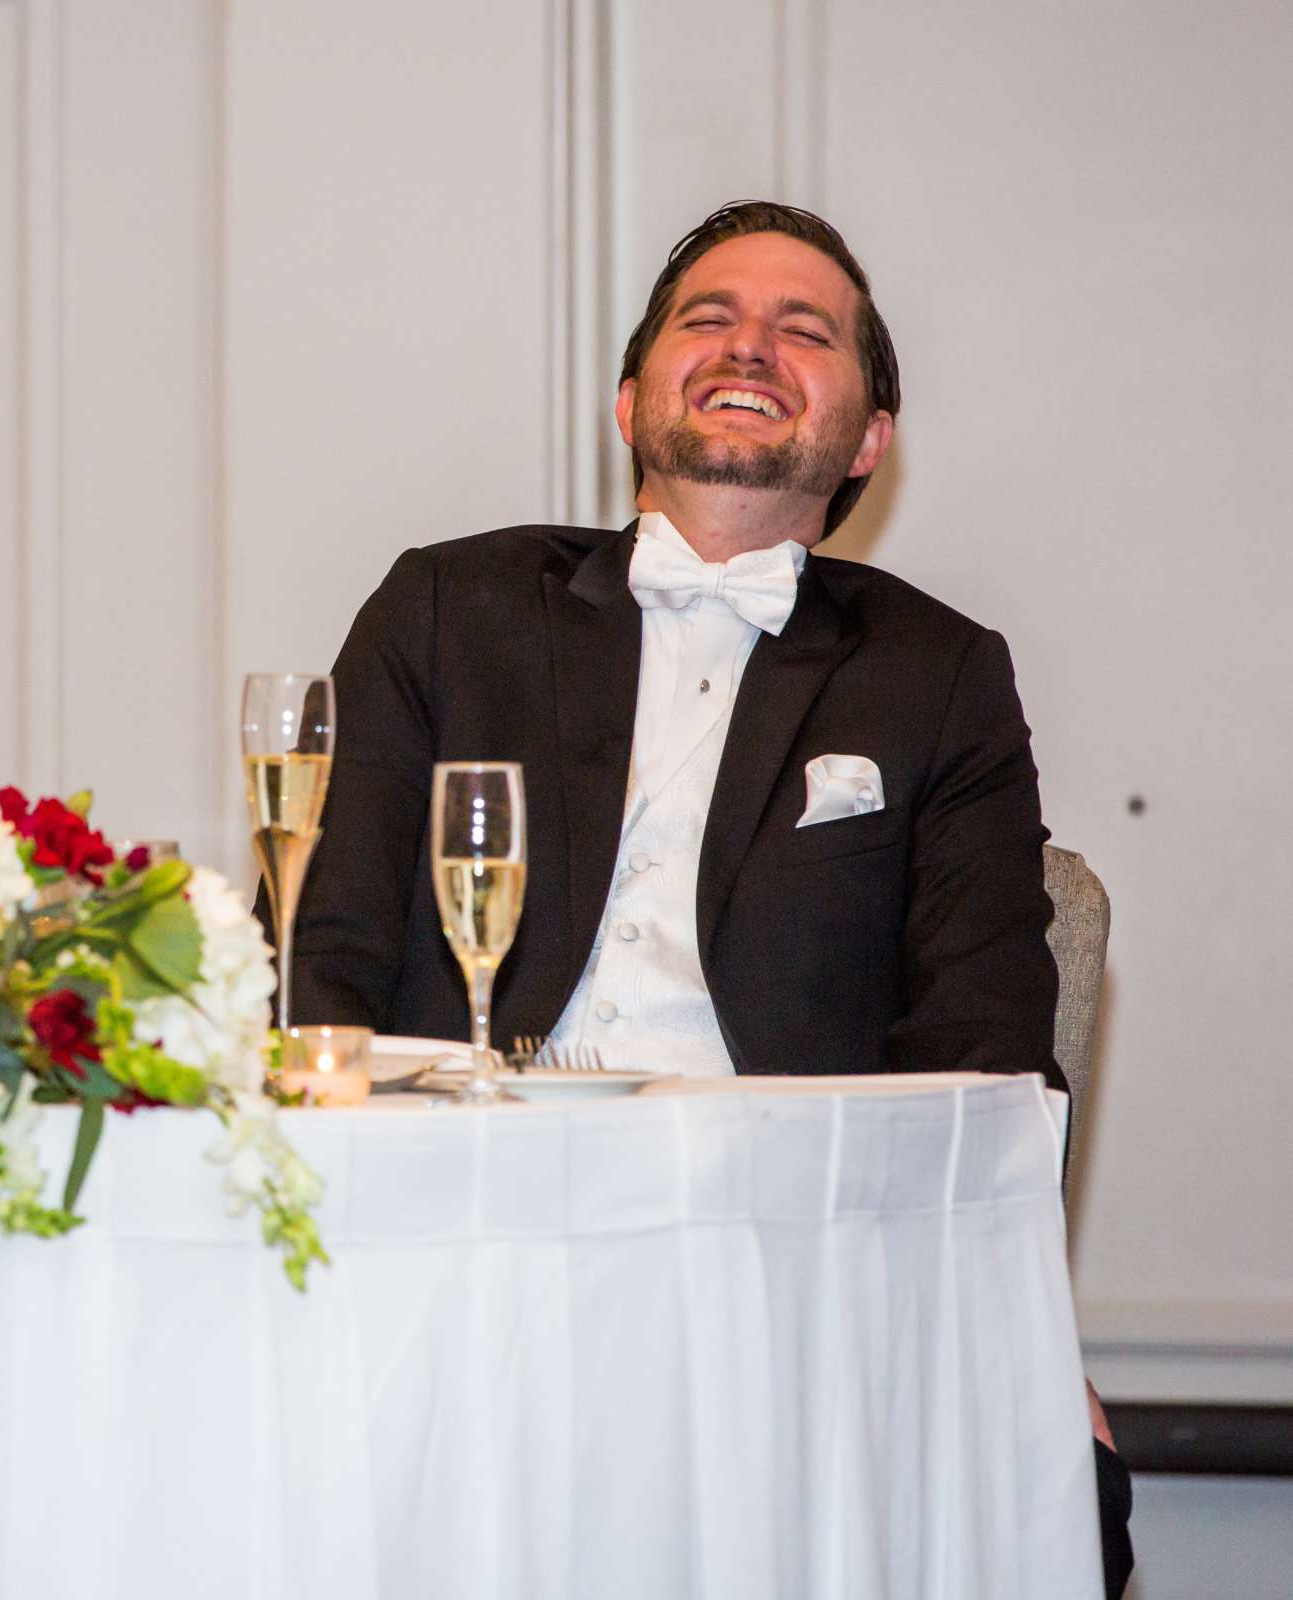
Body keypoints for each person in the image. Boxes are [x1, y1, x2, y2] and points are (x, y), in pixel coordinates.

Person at [290, 200, 1130, 1596]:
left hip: (772, 1270)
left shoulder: (937, 674)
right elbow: (325, 950)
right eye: (707, 317)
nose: (752, 343)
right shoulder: (445, 606)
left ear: (867, 438)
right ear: (631, 399)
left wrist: (1013, 1326)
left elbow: (983, 1046)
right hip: (455, 1233)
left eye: (807, 332)